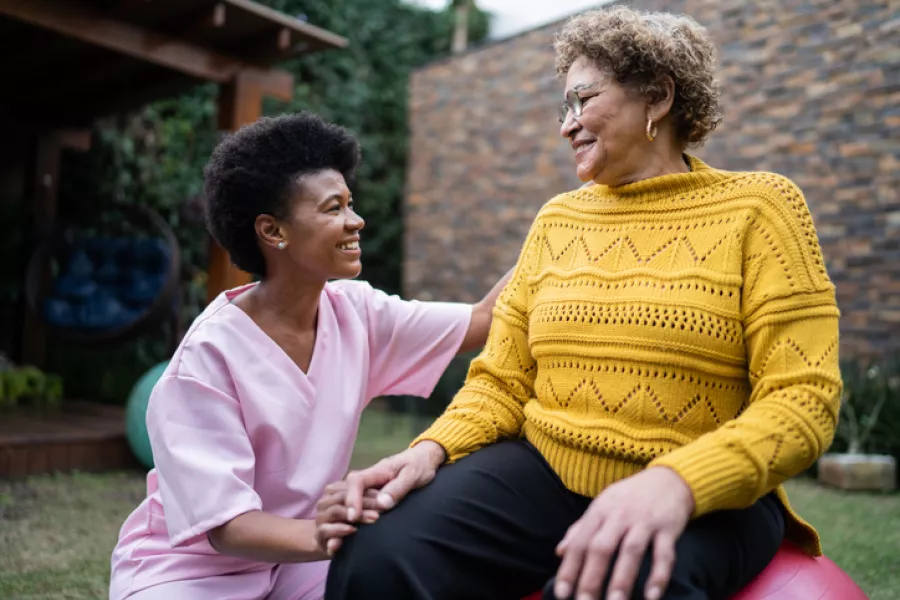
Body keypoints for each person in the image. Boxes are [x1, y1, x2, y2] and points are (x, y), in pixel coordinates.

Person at [322, 6, 842, 600]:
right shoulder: (557, 220)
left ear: (659, 96)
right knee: (378, 552)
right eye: (562, 108)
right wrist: (431, 449)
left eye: (582, 100)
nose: (566, 125)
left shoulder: (762, 209)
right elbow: (502, 381)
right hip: (546, 471)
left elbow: (803, 400)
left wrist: (677, 483)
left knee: (618, 584)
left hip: (706, 494)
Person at [108, 112, 511, 600]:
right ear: (273, 231)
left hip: (299, 563)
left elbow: (486, 318)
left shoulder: (359, 313)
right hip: (190, 572)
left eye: (350, 203)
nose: (355, 220)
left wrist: (570, 223)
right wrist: (329, 534)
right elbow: (226, 527)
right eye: (333, 208)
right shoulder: (207, 357)